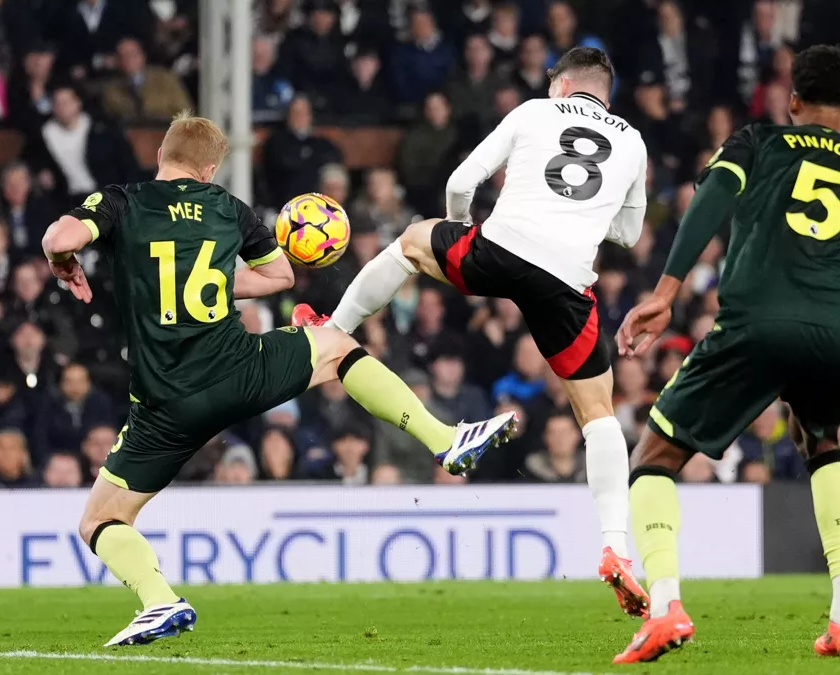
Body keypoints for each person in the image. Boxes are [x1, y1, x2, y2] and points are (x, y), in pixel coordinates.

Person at [40, 112, 516, 647]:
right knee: (336, 347)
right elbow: (281, 276)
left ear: (161, 157)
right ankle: (446, 440)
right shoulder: (227, 208)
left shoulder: (124, 201)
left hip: (164, 403)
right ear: (211, 169)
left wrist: (63, 260)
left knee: (101, 520)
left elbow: (60, 235)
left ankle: (159, 601)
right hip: (236, 370)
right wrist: (216, 274)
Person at [610, 46, 840, 662]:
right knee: (822, 440)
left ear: (793, 102)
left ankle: (665, 608)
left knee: (655, 455)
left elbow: (711, 198)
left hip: (756, 321)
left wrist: (666, 292)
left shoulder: (759, 142)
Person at [293, 47, 652, 618]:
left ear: (560, 84)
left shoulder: (535, 111)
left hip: (501, 249)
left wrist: (458, 228)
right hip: (567, 282)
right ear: (605, 92)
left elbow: (463, 180)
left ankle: (332, 328)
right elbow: (630, 234)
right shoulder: (632, 142)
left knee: (412, 241)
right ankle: (617, 546)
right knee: (599, 415)